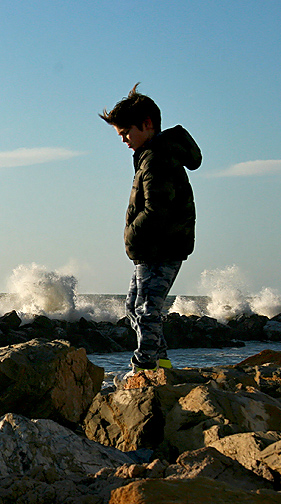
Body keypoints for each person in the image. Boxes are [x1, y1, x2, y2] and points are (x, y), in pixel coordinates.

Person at [100, 84, 201, 375]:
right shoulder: (150, 157)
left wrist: (131, 235)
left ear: (146, 125)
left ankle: (144, 366)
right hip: (153, 249)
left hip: (161, 248)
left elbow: (157, 209)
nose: (123, 140)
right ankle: (163, 363)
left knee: (146, 311)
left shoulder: (157, 158)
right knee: (134, 307)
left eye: (125, 133)